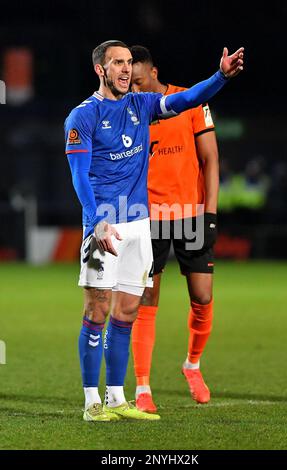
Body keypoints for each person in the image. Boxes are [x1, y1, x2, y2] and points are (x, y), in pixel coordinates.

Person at [64, 39, 244, 422]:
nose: (126, 69)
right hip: (104, 224)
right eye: (117, 63)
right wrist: (96, 221)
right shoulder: (81, 117)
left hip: (140, 225)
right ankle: (91, 401)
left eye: (129, 62)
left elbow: (186, 100)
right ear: (100, 69)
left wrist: (220, 77)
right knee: (97, 311)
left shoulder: (140, 105)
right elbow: (80, 177)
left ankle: (117, 399)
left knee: (127, 312)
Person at [130, 45, 219, 412]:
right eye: (127, 83)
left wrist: (210, 214)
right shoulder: (129, 111)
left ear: (153, 73)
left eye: (137, 81)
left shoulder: (188, 102)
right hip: (147, 216)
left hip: (191, 215)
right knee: (146, 299)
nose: (133, 89)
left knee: (201, 296)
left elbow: (210, 159)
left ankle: (192, 365)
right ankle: (142, 387)